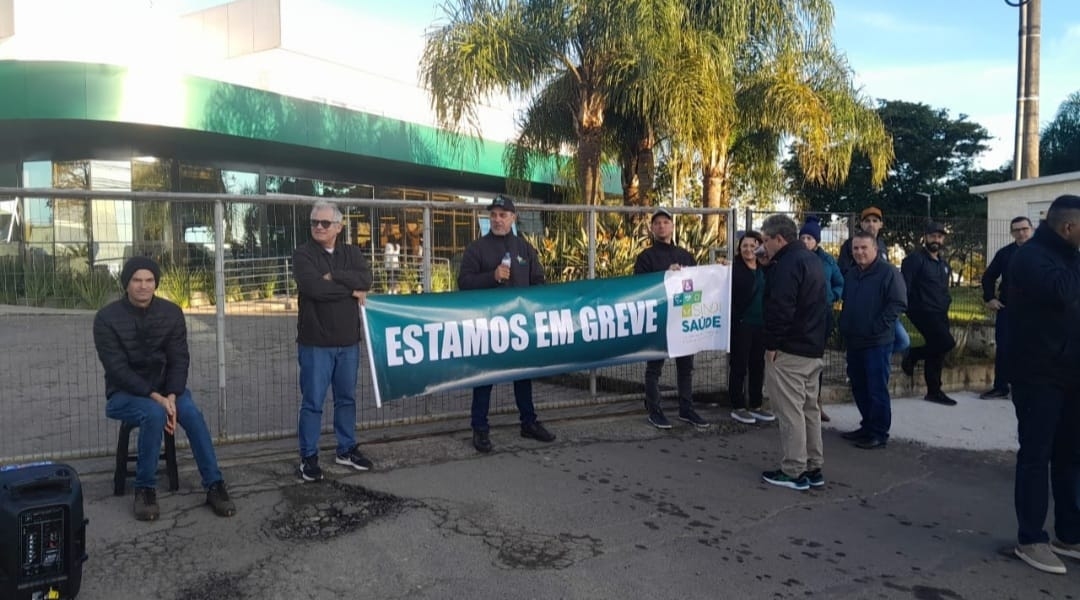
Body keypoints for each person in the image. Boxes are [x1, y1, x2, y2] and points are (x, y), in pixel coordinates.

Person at [93, 256, 236, 521]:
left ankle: (214, 484)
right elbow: (117, 369)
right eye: (136, 280)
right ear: (126, 284)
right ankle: (145, 489)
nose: (143, 286)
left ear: (155, 283)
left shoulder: (170, 312)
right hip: (124, 394)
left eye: (149, 280)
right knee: (154, 413)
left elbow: (179, 358)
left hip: (166, 390)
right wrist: (157, 398)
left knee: (190, 412)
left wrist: (171, 394)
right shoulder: (106, 319)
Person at [1006, 195, 1080, 575]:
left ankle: (1070, 533)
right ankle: (1031, 538)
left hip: (1071, 373)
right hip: (1038, 375)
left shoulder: (1070, 256)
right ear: (1067, 227)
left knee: (1070, 456)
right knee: (1036, 455)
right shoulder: (1031, 257)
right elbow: (1062, 293)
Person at [457, 195, 556, 453]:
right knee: (485, 378)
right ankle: (480, 428)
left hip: (519, 328)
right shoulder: (477, 248)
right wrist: (492, 276)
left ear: (513, 218)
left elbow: (538, 281)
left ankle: (528, 423)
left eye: (503, 215)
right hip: (488, 327)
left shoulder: (524, 248)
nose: (498, 219)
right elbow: (464, 282)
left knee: (523, 375)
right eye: (494, 215)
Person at [293, 201, 374, 482]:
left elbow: (367, 278)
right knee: (313, 401)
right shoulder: (303, 254)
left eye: (325, 223)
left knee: (346, 399)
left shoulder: (351, 252)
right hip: (315, 343)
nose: (318, 227)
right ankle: (308, 456)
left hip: (348, 342)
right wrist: (352, 290)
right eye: (314, 222)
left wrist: (337, 277)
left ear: (338, 227)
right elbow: (313, 288)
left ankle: (346, 448)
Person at [758, 214, 827, 491]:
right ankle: (813, 466)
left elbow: (781, 307)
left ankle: (793, 469)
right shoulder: (811, 260)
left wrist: (772, 344)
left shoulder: (788, 264)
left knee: (790, 411)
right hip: (812, 346)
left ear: (779, 238)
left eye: (765, 240)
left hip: (790, 349)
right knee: (809, 409)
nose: (763, 246)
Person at [634, 208, 710, 429]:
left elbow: (700, 282)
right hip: (659, 320)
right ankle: (654, 410)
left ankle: (687, 409)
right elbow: (641, 287)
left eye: (665, 222)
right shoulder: (645, 257)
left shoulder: (685, 255)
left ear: (672, 226)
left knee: (685, 367)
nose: (661, 226)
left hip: (683, 320)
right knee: (654, 368)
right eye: (657, 223)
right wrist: (666, 275)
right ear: (652, 228)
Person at [837, 231, 907, 450]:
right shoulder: (851, 273)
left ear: (875, 249)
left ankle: (878, 432)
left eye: (863, 248)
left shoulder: (889, 272)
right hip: (854, 341)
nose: (859, 252)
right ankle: (866, 425)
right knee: (859, 386)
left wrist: (877, 326)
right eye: (855, 248)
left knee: (876, 388)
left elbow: (898, 303)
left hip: (877, 342)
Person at [838, 206, 910, 355]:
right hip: (864, 306)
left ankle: (882, 357)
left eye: (875, 221)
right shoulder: (850, 245)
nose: (871, 224)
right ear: (862, 224)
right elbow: (844, 274)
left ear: (880, 224)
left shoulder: (882, 246)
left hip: (883, 308)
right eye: (867, 221)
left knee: (903, 341)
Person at [900, 222, 957, 406]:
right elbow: (905, 286)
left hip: (940, 311)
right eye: (933, 236)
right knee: (946, 342)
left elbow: (943, 289)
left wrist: (946, 302)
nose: (936, 240)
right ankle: (914, 354)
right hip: (921, 310)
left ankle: (934, 391)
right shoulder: (914, 260)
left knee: (937, 351)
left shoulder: (944, 264)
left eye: (940, 237)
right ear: (925, 237)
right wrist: (906, 306)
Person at [978, 216, 1033, 400]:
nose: (1021, 233)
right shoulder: (1005, 254)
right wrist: (990, 298)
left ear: (1031, 229)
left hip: (1038, 312)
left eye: (1024, 228)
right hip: (1008, 309)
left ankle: (1028, 389)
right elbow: (988, 277)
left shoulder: (1044, 253)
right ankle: (1001, 387)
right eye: (1016, 230)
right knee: (1004, 349)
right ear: (1011, 233)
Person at [799, 215, 843, 422]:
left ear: (817, 240)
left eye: (810, 238)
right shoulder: (795, 258)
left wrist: (830, 296)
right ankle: (798, 403)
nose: (806, 241)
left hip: (822, 314)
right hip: (799, 315)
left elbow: (839, 283)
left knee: (817, 360)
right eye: (803, 237)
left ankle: (816, 403)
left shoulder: (828, 261)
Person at [727, 231, 774, 425]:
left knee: (758, 365)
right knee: (739, 364)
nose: (748, 249)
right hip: (742, 325)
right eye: (744, 246)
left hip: (761, 325)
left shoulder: (767, 268)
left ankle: (756, 404)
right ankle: (737, 405)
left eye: (753, 246)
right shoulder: (734, 269)